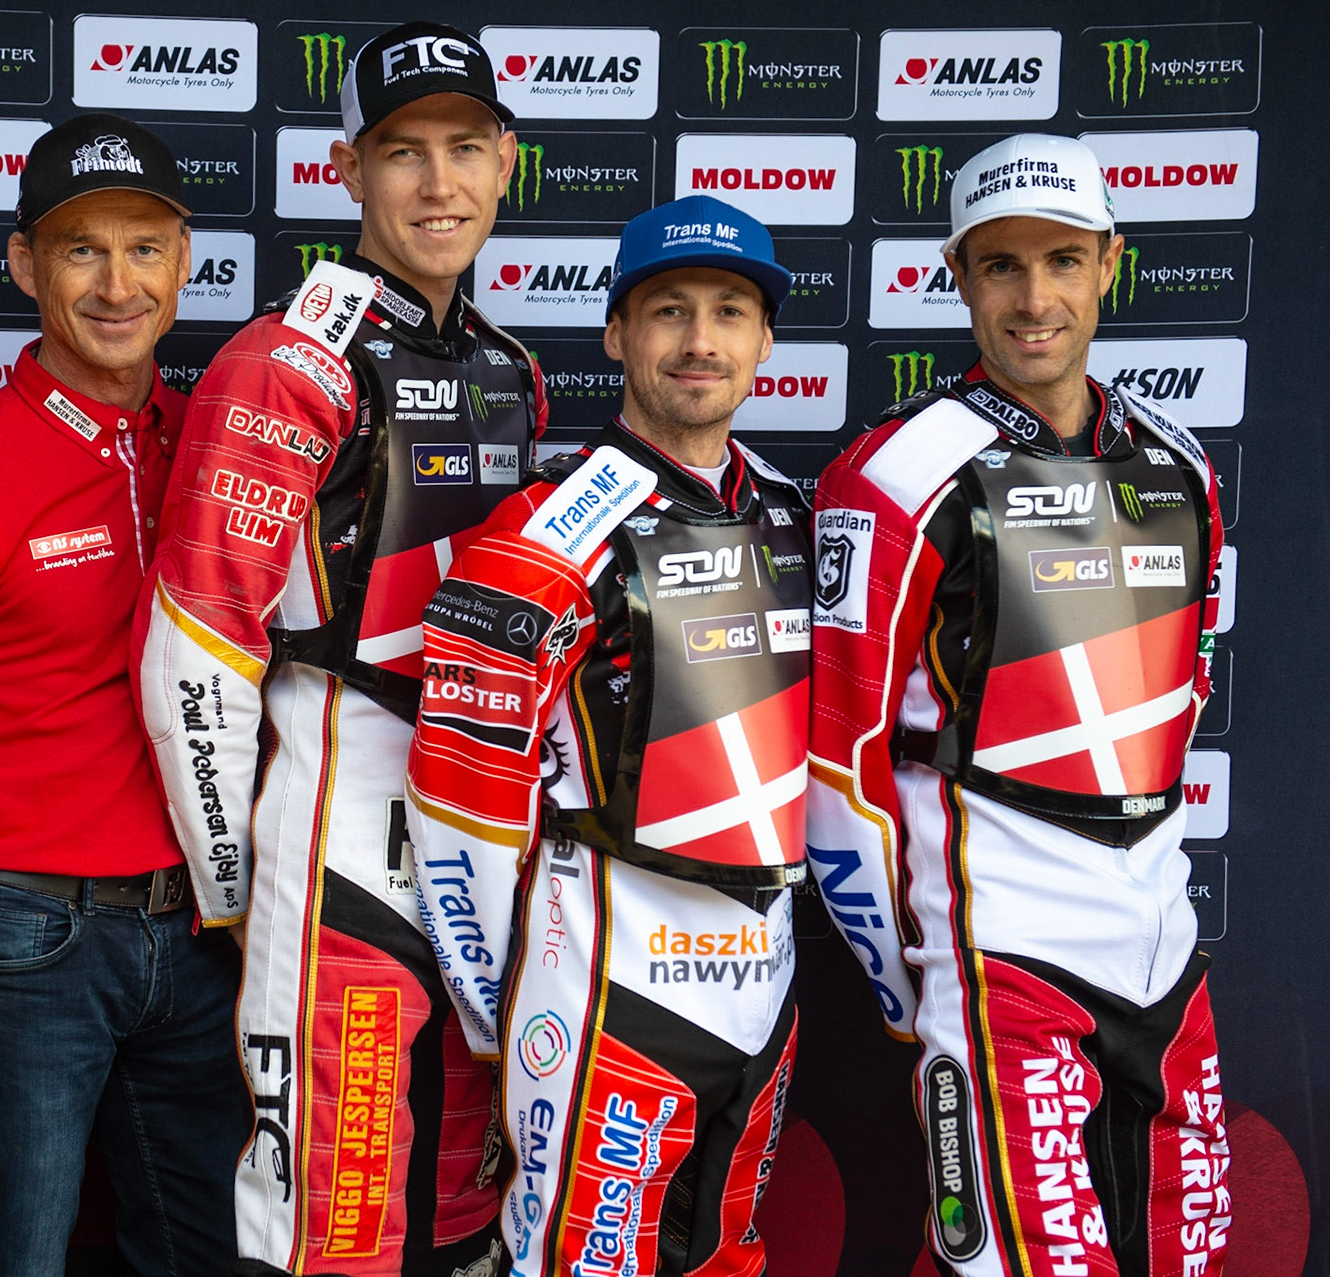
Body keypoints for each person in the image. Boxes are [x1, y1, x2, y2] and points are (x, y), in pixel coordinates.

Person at [133, 22, 544, 1276]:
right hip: (333, 835)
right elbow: (193, 653)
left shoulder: (508, 364)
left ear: (505, 165)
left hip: (483, 838)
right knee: (329, 1214)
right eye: (403, 153)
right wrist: (230, 890)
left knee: (470, 1208)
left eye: (465, 149)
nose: (438, 184)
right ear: (346, 169)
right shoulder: (288, 360)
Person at [807, 133, 1230, 1277]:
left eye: (1060, 260)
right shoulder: (896, 475)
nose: (1034, 298)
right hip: (1004, 958)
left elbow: (1181, 708)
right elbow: (836, 766)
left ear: (1109, 263)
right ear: (956, 273)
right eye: (1000, 266)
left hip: (1165, 956)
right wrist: (912, 978)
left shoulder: (1179, 463)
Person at [0, 115, 249, 1276]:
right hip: (18, 937)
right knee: (13, 1254)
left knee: (211, 1250)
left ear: (185, 261)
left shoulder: (224, 450)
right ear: (24, 265)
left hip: (202, 926)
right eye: (81, 251)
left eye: (145, 248)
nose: (118, 284)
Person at [406, 194, 812, 1277]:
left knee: (731, 1254)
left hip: (762, 976)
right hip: (606, 979)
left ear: (765, 340)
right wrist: (500, 1020)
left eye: (730, 312)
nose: (699, 341)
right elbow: (458, 805)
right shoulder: (545, 528)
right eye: (668, 310)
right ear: (617, 335)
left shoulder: (794, 514)